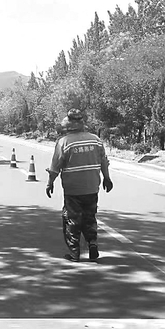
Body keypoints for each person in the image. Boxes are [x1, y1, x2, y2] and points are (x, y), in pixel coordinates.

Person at [45, 108, 114, 262]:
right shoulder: (96, 140)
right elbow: (104, 161)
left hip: (73, 190)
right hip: (92, 187)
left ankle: (74, 253)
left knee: (72, 219)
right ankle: (92, 243)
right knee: (90, 217)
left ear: (68, 124)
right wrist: (107, 178)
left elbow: (55, 167)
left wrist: (50, 183)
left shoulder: (64, 142)